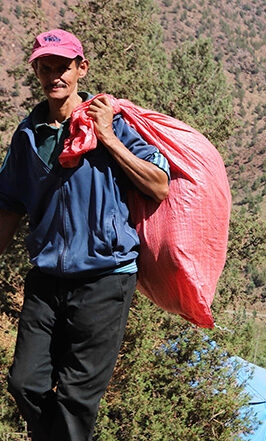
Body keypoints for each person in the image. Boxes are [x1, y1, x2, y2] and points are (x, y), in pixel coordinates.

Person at [0, 29, 170, 441]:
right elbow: (8, 205)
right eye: (45, 66)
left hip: (105, 276)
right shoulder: (28, 134)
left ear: (81, 69)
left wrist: (108, 137)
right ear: (36, 70)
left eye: (63, 66)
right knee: (25, 383)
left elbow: (159, 184)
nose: (54, 74)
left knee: (76, 399)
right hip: (46, 278)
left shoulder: (115, 121)